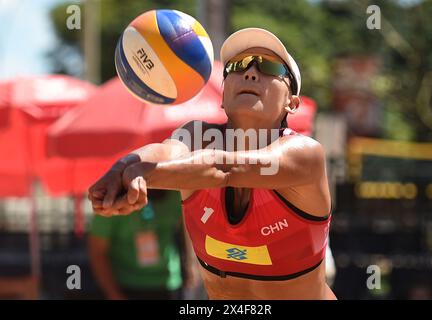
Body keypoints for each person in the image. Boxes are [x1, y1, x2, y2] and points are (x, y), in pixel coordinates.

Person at [89, 27, 336, 300]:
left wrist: (139, 175)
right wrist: (122, 167)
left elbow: (224, 168)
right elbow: (164, 152)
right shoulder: (196, 135)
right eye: (238, 65)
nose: (250, 72)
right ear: (222, 96)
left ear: (292, 102)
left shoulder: (306, 154)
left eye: (269, 67)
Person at [88, 190, 186, 300]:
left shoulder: (175, 194)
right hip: (128, 286)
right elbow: (97, 252)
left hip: (169, 283)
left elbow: (186, 232)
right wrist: (114, 294)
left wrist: (190, 266)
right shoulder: (113, 202)